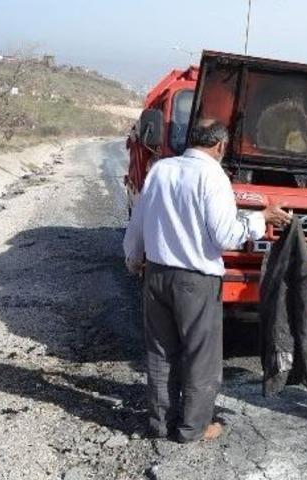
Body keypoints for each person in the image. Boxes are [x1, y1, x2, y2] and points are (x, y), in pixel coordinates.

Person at [123, 119, 292, 443]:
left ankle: (160, 425)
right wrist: (261, 219)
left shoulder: (161, 169)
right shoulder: (213, 176)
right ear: (220, 146)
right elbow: (226, 235)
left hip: (156, 276)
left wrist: (133, 259)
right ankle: (193, 428)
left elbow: (139, 222)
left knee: (161, 355)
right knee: (201, 358)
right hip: (195, 281)